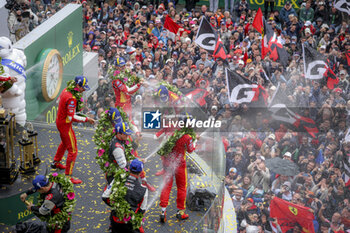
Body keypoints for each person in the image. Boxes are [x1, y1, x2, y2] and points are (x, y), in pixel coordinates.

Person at [51, 76, 95, 184]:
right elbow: (71, 117)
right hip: (65, 125)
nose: (84, 90)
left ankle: (56, 162)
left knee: (65, 144)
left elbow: (58, 102)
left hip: (60, 122)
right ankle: (68, 176)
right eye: (83, 87)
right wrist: (86, 119)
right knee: (73, 151)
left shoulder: (66, 89)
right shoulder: (71, 98)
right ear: (77, 85)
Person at [159, 115, 197, 222]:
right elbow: (190, 150)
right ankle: (180, 212)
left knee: (166, 186)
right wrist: (194, 142)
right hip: (180, 165)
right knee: (181, 187)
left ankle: (163, 211)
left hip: (168, 163)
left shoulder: (171, 131)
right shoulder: (187, 137)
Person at [107, 122, 156, 191]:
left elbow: (129, 152)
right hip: (115, 175)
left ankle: (144, 182)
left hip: (117, 170)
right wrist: (138, 161)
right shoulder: (117, 148)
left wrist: (136, 141)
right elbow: (124, 165)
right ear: (118, 133)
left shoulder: (119, 139)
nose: (128, 135)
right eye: (125, 133)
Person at [107, 159, 148, 233]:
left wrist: (115, 206)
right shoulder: (143, 189)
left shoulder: (117, 180)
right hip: (130, 223)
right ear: (141, 172)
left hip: (115, 219)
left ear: (129, 168)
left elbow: (105, 197)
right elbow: (142, 210)